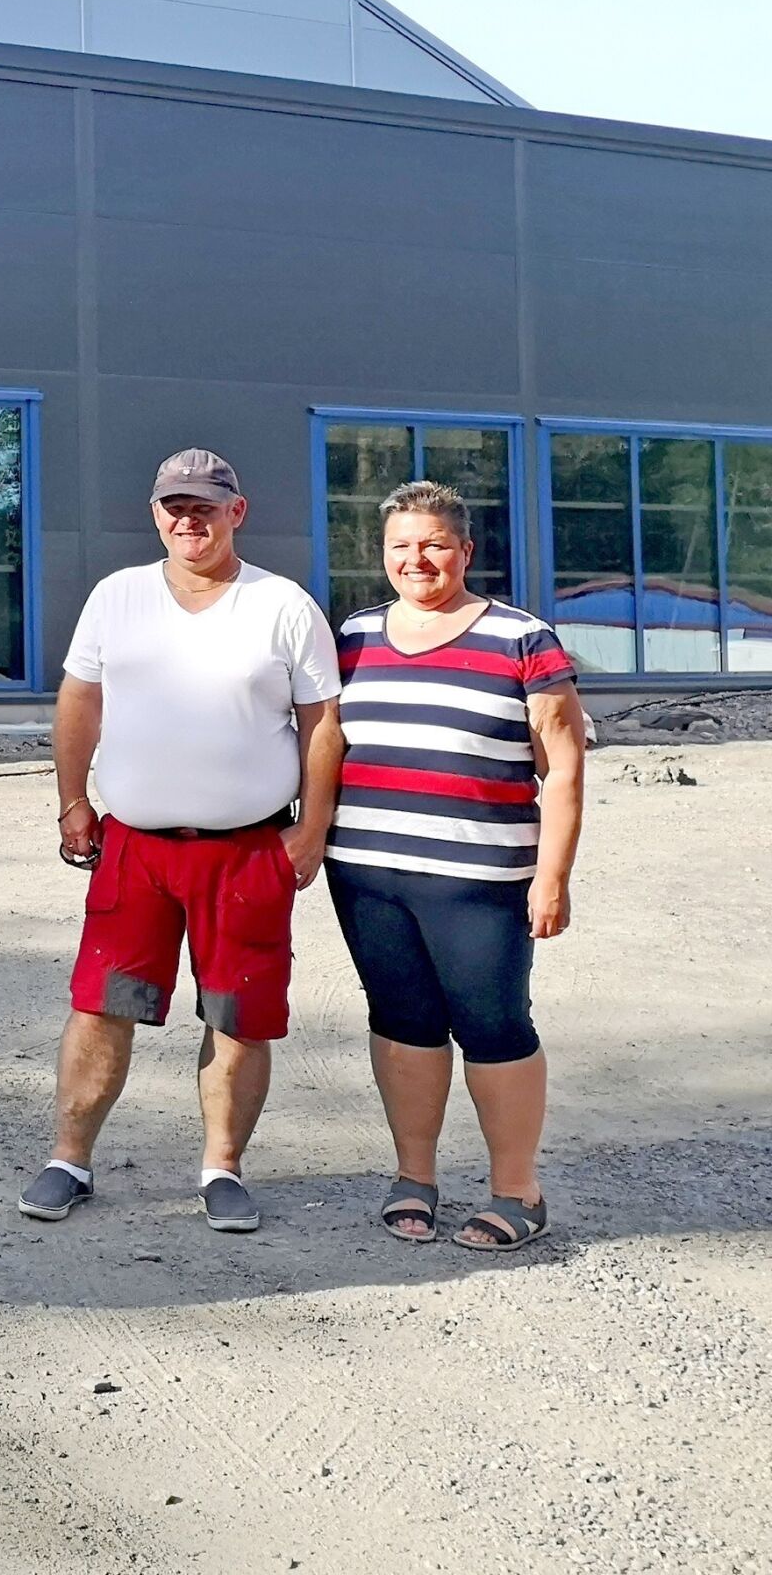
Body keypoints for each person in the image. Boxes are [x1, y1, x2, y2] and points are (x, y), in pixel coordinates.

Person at [21, 448, 343, 1236]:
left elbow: (322, 723)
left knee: (238, 1015)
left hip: (246, 851)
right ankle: (69, 1158)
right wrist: (72, 802)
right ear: (155, 513)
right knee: (102, 1005)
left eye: (206, 505)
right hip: (135, 848)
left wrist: (312, 829)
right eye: (175, 506)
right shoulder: (118, 598)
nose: (188, 519)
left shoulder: (284, 605)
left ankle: (222, 1168)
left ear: (238, 511)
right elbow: (79, 702)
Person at [328, 480, 585, 1252]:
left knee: (494, 1024)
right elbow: (325, 743)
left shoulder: (523, 639)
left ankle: (518, 1189)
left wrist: (553, 877)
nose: (418, 559)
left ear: (465, 551)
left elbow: (564, 770)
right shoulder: (353, 636)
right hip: (368, 873)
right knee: (402, 1023)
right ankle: (415, 1177)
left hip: (480, 880)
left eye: (434, 543)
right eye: (401, 546)